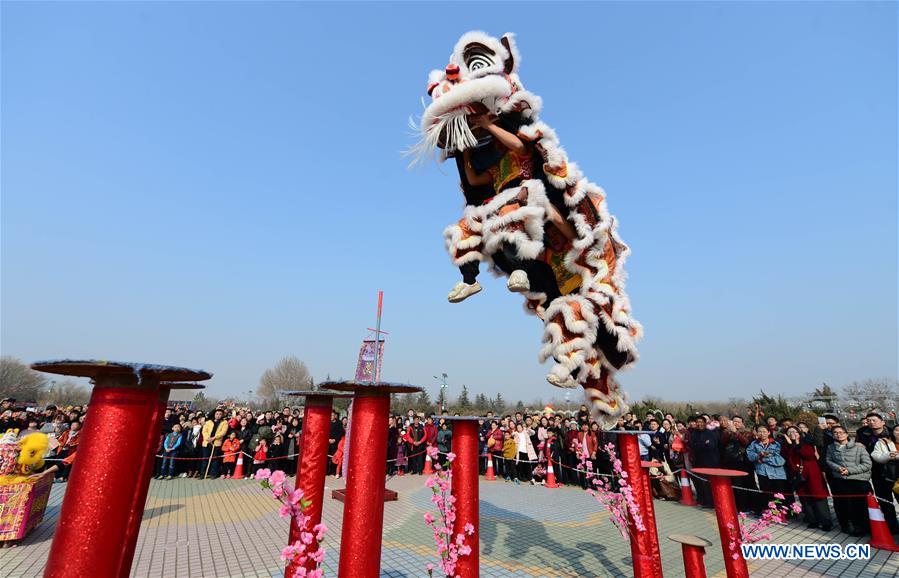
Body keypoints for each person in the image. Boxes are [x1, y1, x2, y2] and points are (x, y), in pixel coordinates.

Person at [781, 426, 832, 530]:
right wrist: (791, 445)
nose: (792, 434)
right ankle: (812, 520)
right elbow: (787, 457)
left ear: (799, 433)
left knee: (819, 498)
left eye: (794, 431)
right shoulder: (786, 446)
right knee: (805, 499)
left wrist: (797, 445)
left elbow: (809, 455)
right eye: (789, 432)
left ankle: (825, 522)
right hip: (798, 475)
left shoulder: (807, 442)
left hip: (812, 474)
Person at [825, 425, 872, 536]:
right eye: (835, 432)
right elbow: (828, 460)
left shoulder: (858, 447)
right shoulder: (830, 447)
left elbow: (867, 464)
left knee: (861, 506)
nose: (838, 434)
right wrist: (838, 468)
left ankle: (864, 527)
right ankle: (849, 526)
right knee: (845, 506)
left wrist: (849, 470)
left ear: (846, 434)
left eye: (841, 432)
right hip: (841, 480)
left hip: (859, 480)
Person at [857, 413, 899, 534]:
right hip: (877, 473)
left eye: (874, 420)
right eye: (869, 420)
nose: (871, 422)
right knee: (885, 502)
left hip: (895, 474)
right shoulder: (862, 433)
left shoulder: (892, 433)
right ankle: (892, 528)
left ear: (882, 422)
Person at [746, 425, 788, 513]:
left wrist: (762, 458)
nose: (762, 433)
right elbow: (750, 456)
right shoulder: (753, 444)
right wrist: (758, 455)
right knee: (766, 494)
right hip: (762, 473)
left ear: (769, 432)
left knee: (778, 495)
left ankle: (779, 513)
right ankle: (769, 513)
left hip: (777, 474)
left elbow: (779, 459)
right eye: (760, 431)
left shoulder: (776, 443)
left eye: (764, 431)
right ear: (757, 433)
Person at [870, 423, 899, 535]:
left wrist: (896, 456)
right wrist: (887, 455)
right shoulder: (883, 442)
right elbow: (875, 456)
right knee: (887, 505)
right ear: (893, 432)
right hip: (889, 478)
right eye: (897, 430)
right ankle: (893, 529)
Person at [688, 415, 720, 507]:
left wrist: (700, 445)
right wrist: (703, 444)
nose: (699, 424)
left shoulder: (710, 433)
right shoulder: (694, 433)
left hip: (711, 462)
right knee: (701, 482)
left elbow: (711, 446)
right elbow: (692, 446)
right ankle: (703, 500)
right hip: (698, 462)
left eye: (701, 422)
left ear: (705, 423)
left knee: (709, 483)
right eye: (697, 422)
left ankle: (711, 502)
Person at [201, 409, 229, 479]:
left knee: (214, 460)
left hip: (216, 443)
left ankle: (213, 474)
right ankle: (203, 474)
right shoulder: (208, 422)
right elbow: (204, 431)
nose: (218, 415)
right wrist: (208, 438)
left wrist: (214, 438)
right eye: (217, 414)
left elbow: (223, 432)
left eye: (220, 414)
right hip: (207, 443)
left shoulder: (224, 422)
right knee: (205, 459)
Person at [327, 411, 344, 476]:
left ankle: (333, 471)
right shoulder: (327, 422)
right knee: (327, 457)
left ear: (335, 416)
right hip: (328, 442)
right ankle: (327, 471)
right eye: (330, 415)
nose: (331, 416)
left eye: (333, 415)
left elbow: (341, 433)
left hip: (335, 442)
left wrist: (335, 439)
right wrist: (328, 439)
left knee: (334, 457)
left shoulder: (339, 423)